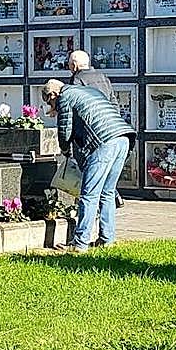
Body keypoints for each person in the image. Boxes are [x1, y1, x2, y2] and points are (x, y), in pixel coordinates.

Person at [41, 79, 135, 253]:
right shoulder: (89, 91)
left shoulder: (65, 97)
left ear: (53, 94)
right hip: (123, 138)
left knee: (89, 195)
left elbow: (64, 129)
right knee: (107, 192)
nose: (52, 106)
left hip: (104, 143)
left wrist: (65, 150)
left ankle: (80, 244)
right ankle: (107, 239)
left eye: (50, 102)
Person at [68, 49, 125, 207]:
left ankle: (110, 196)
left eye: (69, 64)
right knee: (103, 171)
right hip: (113, 131)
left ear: (74, 65)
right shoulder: (102, 77)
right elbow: (114, 104)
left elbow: (75, 110)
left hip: (92, 134)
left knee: (90, 170)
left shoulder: (77, 80)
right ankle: (113, 195)